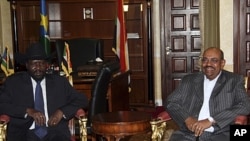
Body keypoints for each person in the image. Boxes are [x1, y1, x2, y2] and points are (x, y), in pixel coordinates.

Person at [0, 43, 88, 141]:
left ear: (47, 65)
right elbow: (2, 104)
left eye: (41, 63)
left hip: (55, 133)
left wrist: (61, 111)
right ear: (27, 65)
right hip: (24, 133)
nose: (38, 67)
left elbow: (82, 99)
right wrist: (28, 111)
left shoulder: (59, 82)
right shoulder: (14, 83)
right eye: (34, 63)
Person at [165, 47, 250, 141]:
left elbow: (245, 105)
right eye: (205, 60)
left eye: (214, 60)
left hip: (221, 133)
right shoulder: (189, 80)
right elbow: (170, 102)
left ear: (222, 63)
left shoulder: (234, 80)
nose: (208, 64)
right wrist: (187, 118)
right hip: (188, 134)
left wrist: (211, 120)